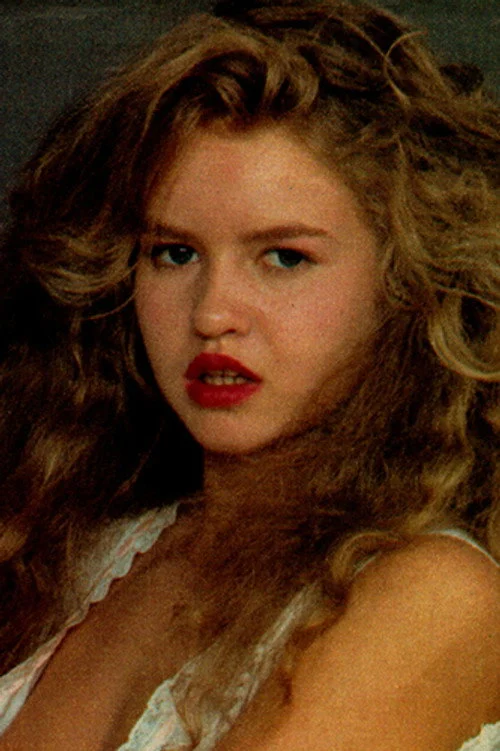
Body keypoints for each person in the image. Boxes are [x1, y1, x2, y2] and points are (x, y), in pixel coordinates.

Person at [0, 0, 498, 748]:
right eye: (174, 253)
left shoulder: (432, 594)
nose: (212, 313)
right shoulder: (87, 551)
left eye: (284, 257)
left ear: (408, 284)